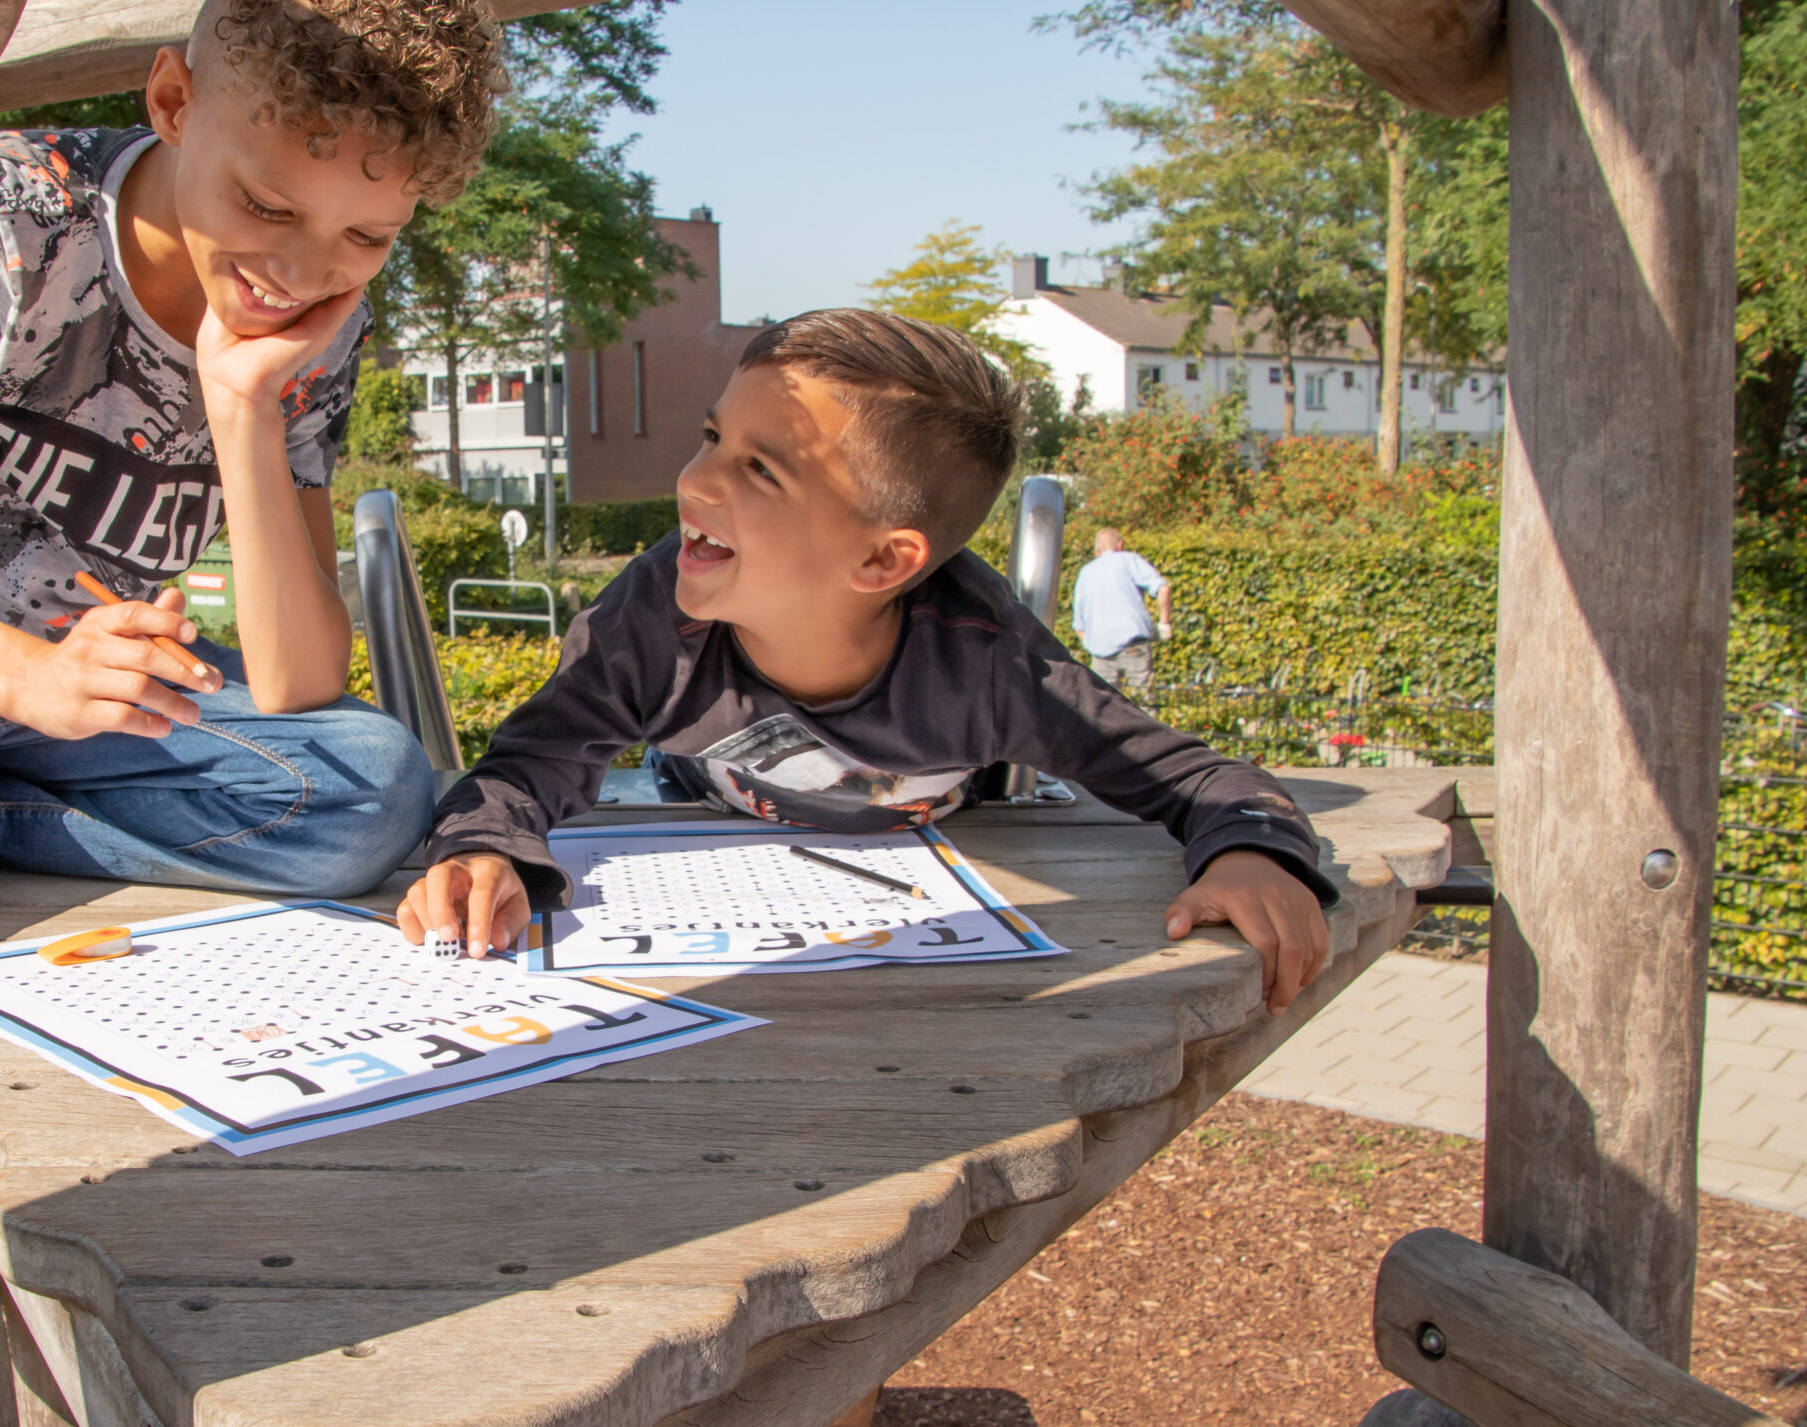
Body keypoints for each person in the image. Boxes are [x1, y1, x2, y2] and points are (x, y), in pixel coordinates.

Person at [395, 310, 1336, 1011]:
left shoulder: (986, 663)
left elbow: (1199, 778)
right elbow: (531, 760)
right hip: (704, 864)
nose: (692, 481)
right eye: (714, 436)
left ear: (885, 560)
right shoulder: (652, 615)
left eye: (761, 469)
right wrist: (481, 845)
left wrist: (1254, 851)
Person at [0, 0, 507, 895]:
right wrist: (24, 677)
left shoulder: (319, 326)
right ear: (172, 104)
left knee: (372, 787)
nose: (298, 273)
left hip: (93, 714)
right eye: (265, 205)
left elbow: (301, 679)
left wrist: (243, 404)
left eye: (365, 237)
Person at [1071, 527, 1171, 693]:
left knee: (1104, 710)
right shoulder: (1128, 560)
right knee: (1143, 705)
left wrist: (1092, 645)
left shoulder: (1085, 573)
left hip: (1100, 652)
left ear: (1097, 551)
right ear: (1120, 545)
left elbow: (1079, 626)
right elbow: (1163, 589)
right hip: (1133, 646)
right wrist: (1164, 623)